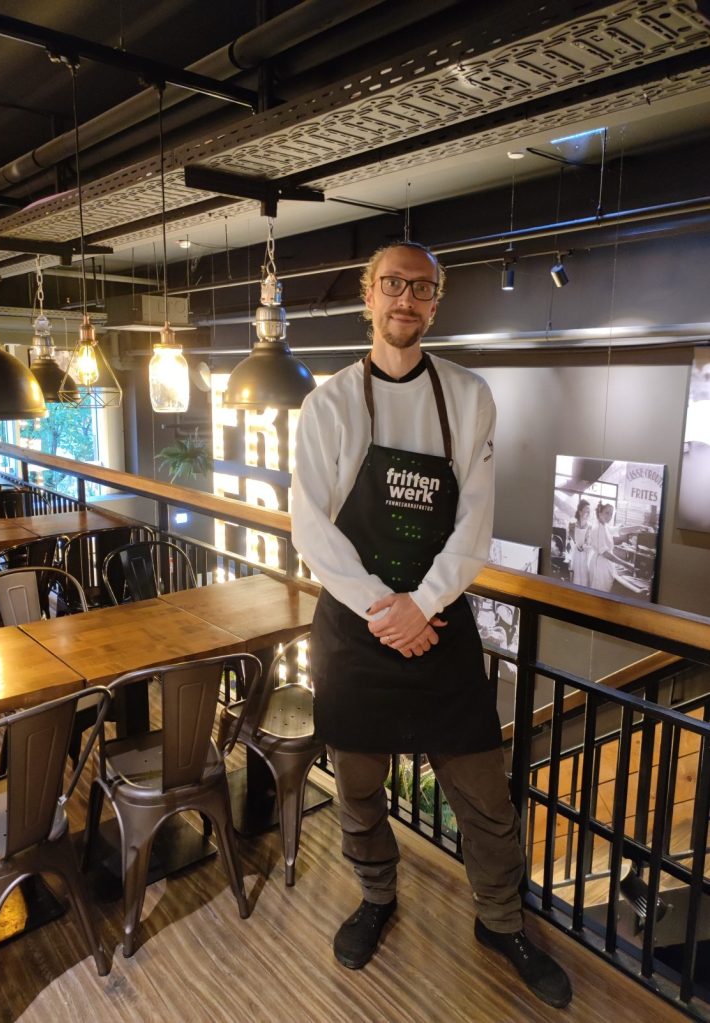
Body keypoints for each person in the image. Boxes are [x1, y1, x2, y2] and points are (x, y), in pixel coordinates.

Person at [291, 240, 572, 1010]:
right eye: (392, 285)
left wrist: (424, 605)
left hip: (439, 620)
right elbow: (311, 528)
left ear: (436, 302)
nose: (405, 300)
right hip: (356, 627)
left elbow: (474, 528)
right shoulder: (329, 403)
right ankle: (377, 895)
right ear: (367, 295)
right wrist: (386, 609)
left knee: (483, 790)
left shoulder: (470, 396)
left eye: (421, 288)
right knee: (357, 788)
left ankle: (500, 920)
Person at [588, 501, 626, 592]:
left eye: (611, 514)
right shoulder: (597, 528)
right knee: (598, 594)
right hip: (600, 567)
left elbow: (618, 530)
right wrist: (626, 564)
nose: (609, 516)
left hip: (604, 565)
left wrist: (637, 527)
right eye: (607, 513)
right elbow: (605, 553)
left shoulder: (604, 526)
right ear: (600, 512)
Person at [568, 498, 591, 587]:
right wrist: (575, 544)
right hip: (575, 553)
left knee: (584, 576)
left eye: (589, 512)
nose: (588, 514)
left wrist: (584, 545)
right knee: (575, 576)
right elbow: (571, 538)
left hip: (585, 554)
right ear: (580, 512)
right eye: (586, 511)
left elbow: (587, 540)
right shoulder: (572, 524)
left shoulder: (589, 526)